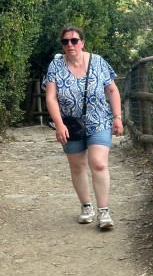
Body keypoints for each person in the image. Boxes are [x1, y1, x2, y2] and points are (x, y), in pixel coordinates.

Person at [44, 25, 123, 229]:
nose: (70, 45)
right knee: (78, 166)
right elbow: (51, 97)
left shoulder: (97, 62)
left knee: (98, 163)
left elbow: (112, 90)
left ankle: (103, 212)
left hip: (99, 120)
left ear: (82, 43)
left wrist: (117, 117)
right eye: (65, 41)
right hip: (70, 123)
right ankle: (86, 206)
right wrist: (59, 124)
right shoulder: (56, 65)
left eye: (74, 41)